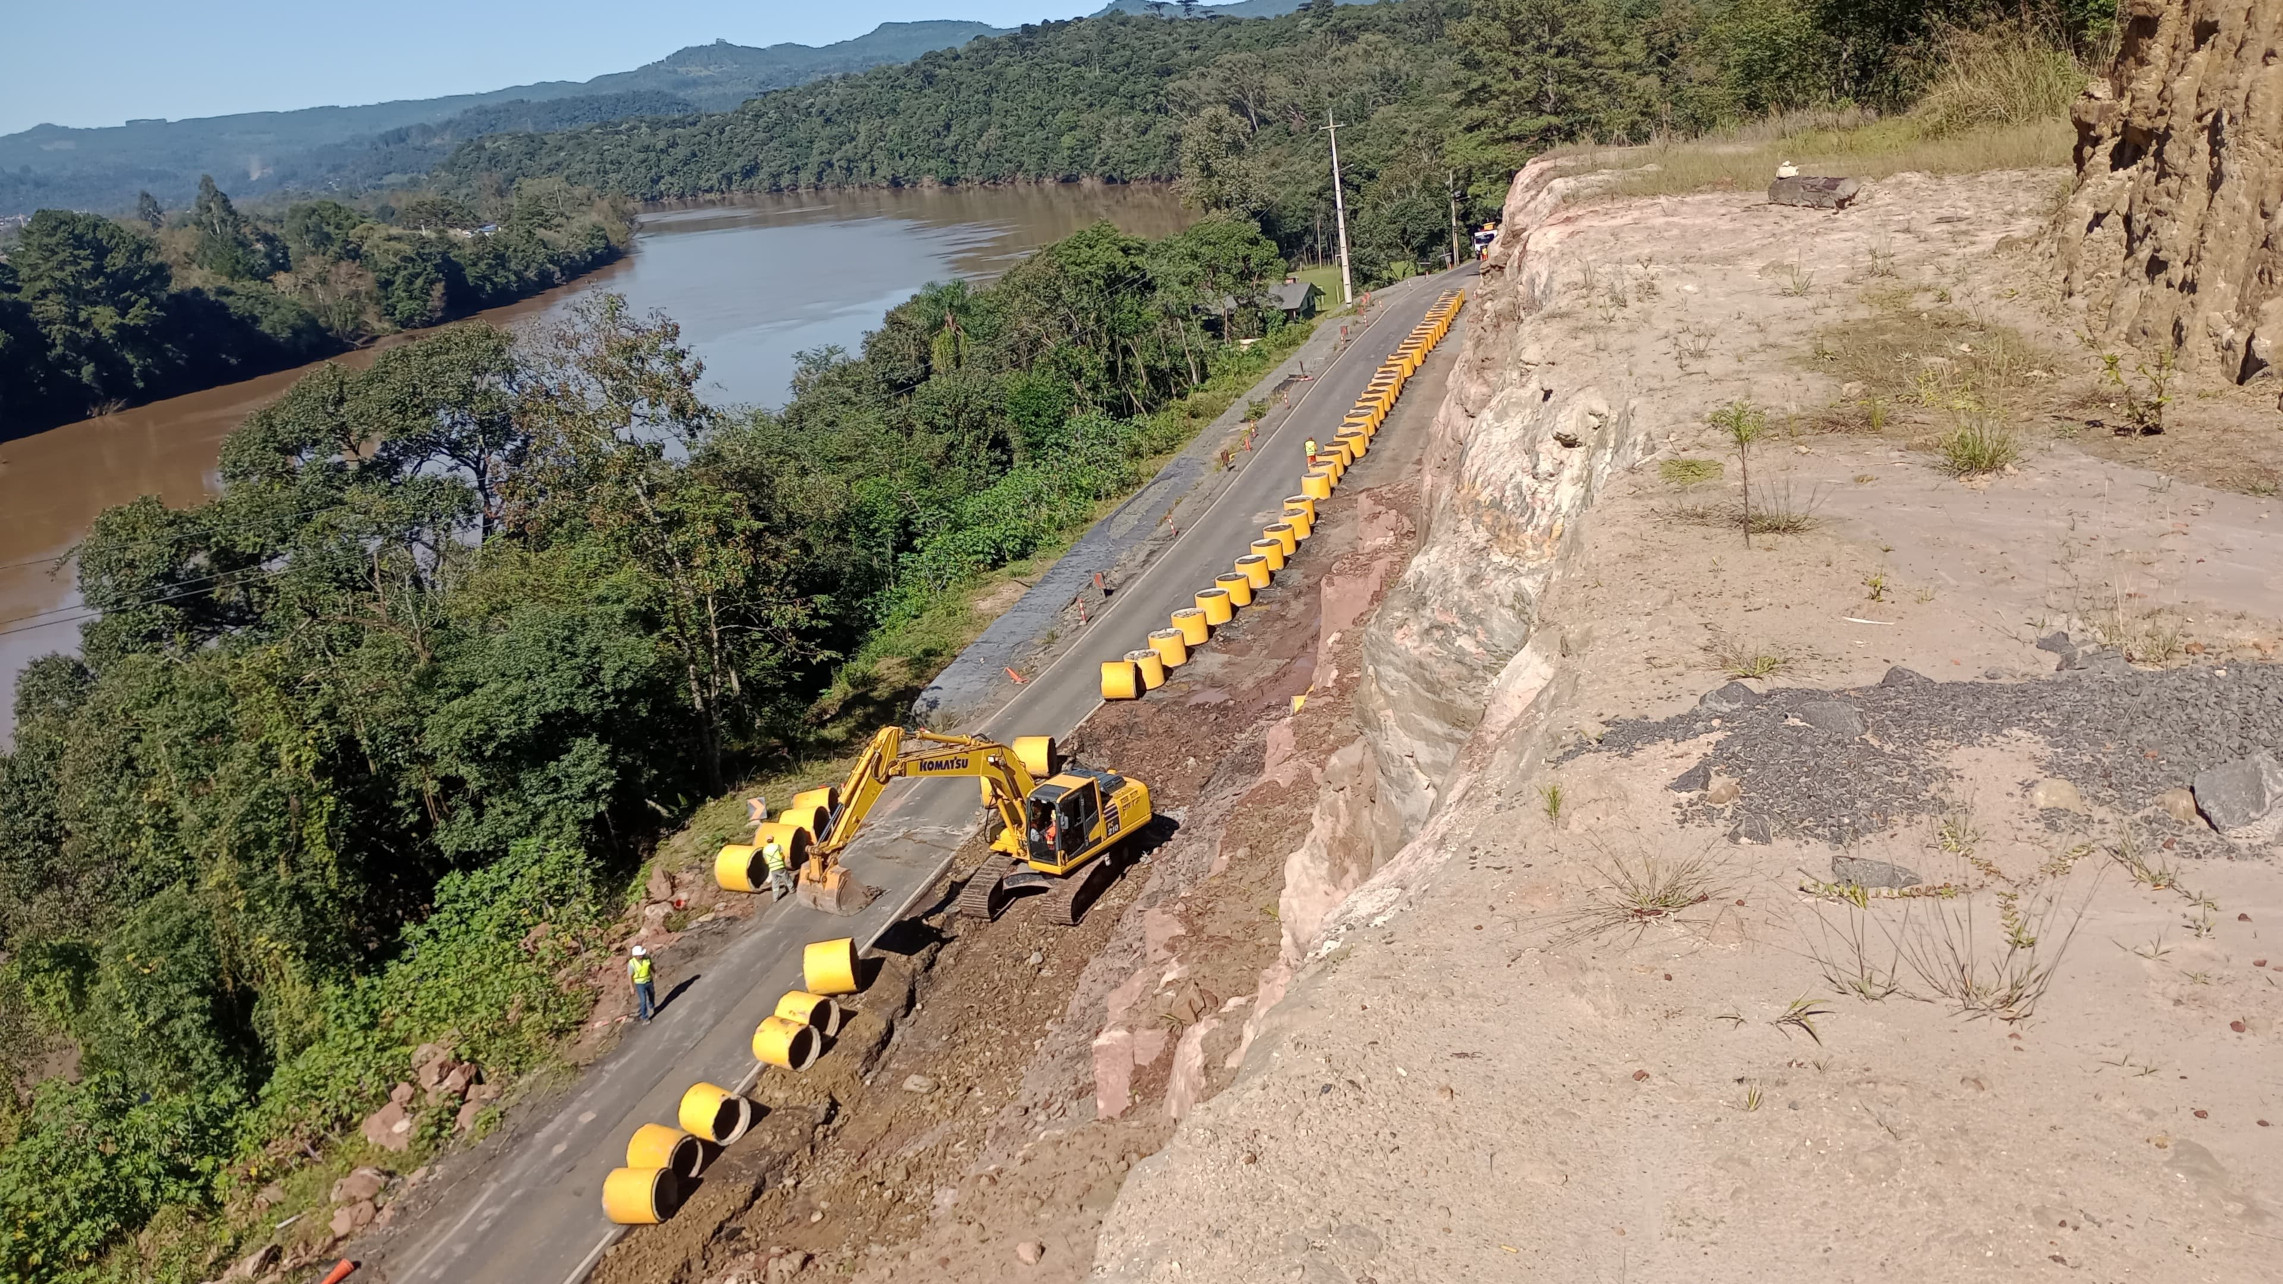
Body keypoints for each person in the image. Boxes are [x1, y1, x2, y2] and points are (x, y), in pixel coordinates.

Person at [629, 945, 656, 1023]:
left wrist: (655, 973)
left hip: (648, 981)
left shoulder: (647, 958)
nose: (642, 955)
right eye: (640, 954)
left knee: (652, 994)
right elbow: (629, 976)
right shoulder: (632, 963)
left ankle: (651, 1005)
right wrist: (631, 987)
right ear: (635, 955)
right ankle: (645, 1017)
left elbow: (651, 966)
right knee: (643, 1001)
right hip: (639, 984)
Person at [762, 835, 792, 900]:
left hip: (772, 868)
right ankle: (792, 890)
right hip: (780, 865)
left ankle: (775, 898)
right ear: (773, 839)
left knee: (775, 883)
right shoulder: (777, 846)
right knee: (787, 878)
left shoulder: (765, 850)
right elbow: (782, 855)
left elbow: (766, 861)